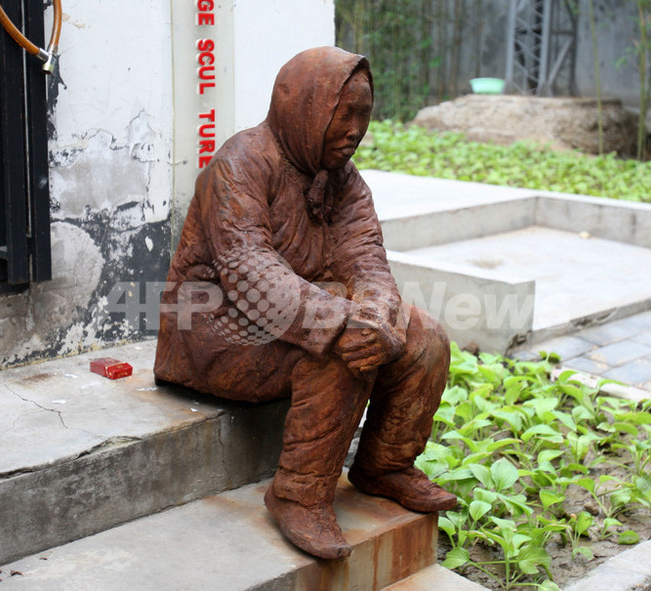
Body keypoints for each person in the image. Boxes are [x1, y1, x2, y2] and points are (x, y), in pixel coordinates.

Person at [154, 46, 456, 560]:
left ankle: (384, 464)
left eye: (364, 115)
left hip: (285, 325)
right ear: (305, 106)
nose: (356, 129)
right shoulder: (242, 162)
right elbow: (249, 271)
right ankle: (299, 493)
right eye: (345, 113)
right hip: (215, 333)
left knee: (424, 335)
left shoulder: (344, 181)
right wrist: (341, 323)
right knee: (341, 347)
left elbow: (367, 261)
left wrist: (379, 315)